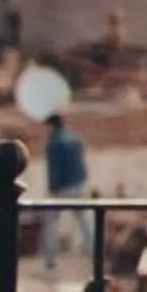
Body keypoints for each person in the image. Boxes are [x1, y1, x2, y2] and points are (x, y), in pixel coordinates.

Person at [39, 110, 90, 273]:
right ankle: (93, 252)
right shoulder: (75, 139)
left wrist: (52, 188)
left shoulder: (53, 144)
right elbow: (82, 164)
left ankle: (51, 260)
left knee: (51, 224)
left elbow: (54, 170)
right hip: (77, 185)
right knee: (85, 221)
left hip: (61, 189)